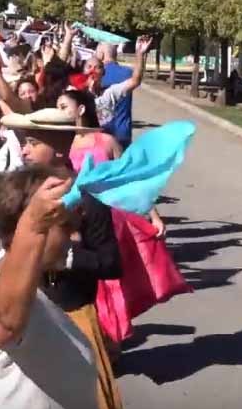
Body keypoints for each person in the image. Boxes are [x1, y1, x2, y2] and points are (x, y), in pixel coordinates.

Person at [0, 107, 125, 409]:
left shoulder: (87, 198)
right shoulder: (24, 194)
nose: (24, 150)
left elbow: (111, 262)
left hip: (75, 320)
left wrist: (67, 256)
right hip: (30, 315)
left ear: (57, 148)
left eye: (31, 142)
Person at [58, 89, 189, 360]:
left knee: (110, 283)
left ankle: (112, 345)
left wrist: (153, 215)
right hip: (78, 222)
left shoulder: (106, 141)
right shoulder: (63, 145)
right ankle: (93, 342)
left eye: (63, 107)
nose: (60, 113)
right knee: (88, 284)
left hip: (111, 220)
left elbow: (130, 181)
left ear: (81, 109)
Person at [0, 166, 100, 409]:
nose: (73, 238)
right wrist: (33, 225)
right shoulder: (6, 295)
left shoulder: (33, 291)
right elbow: (4, 325)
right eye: (66, 228)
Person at [83, 35, 152, 131]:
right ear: (82, 71)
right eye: (89, 66)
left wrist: (139, 54)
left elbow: (135, 80)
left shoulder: (110, 93)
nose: (92, 70)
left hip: (113, 138)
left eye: (97, 67)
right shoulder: (76, 93)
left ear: (103, 71)